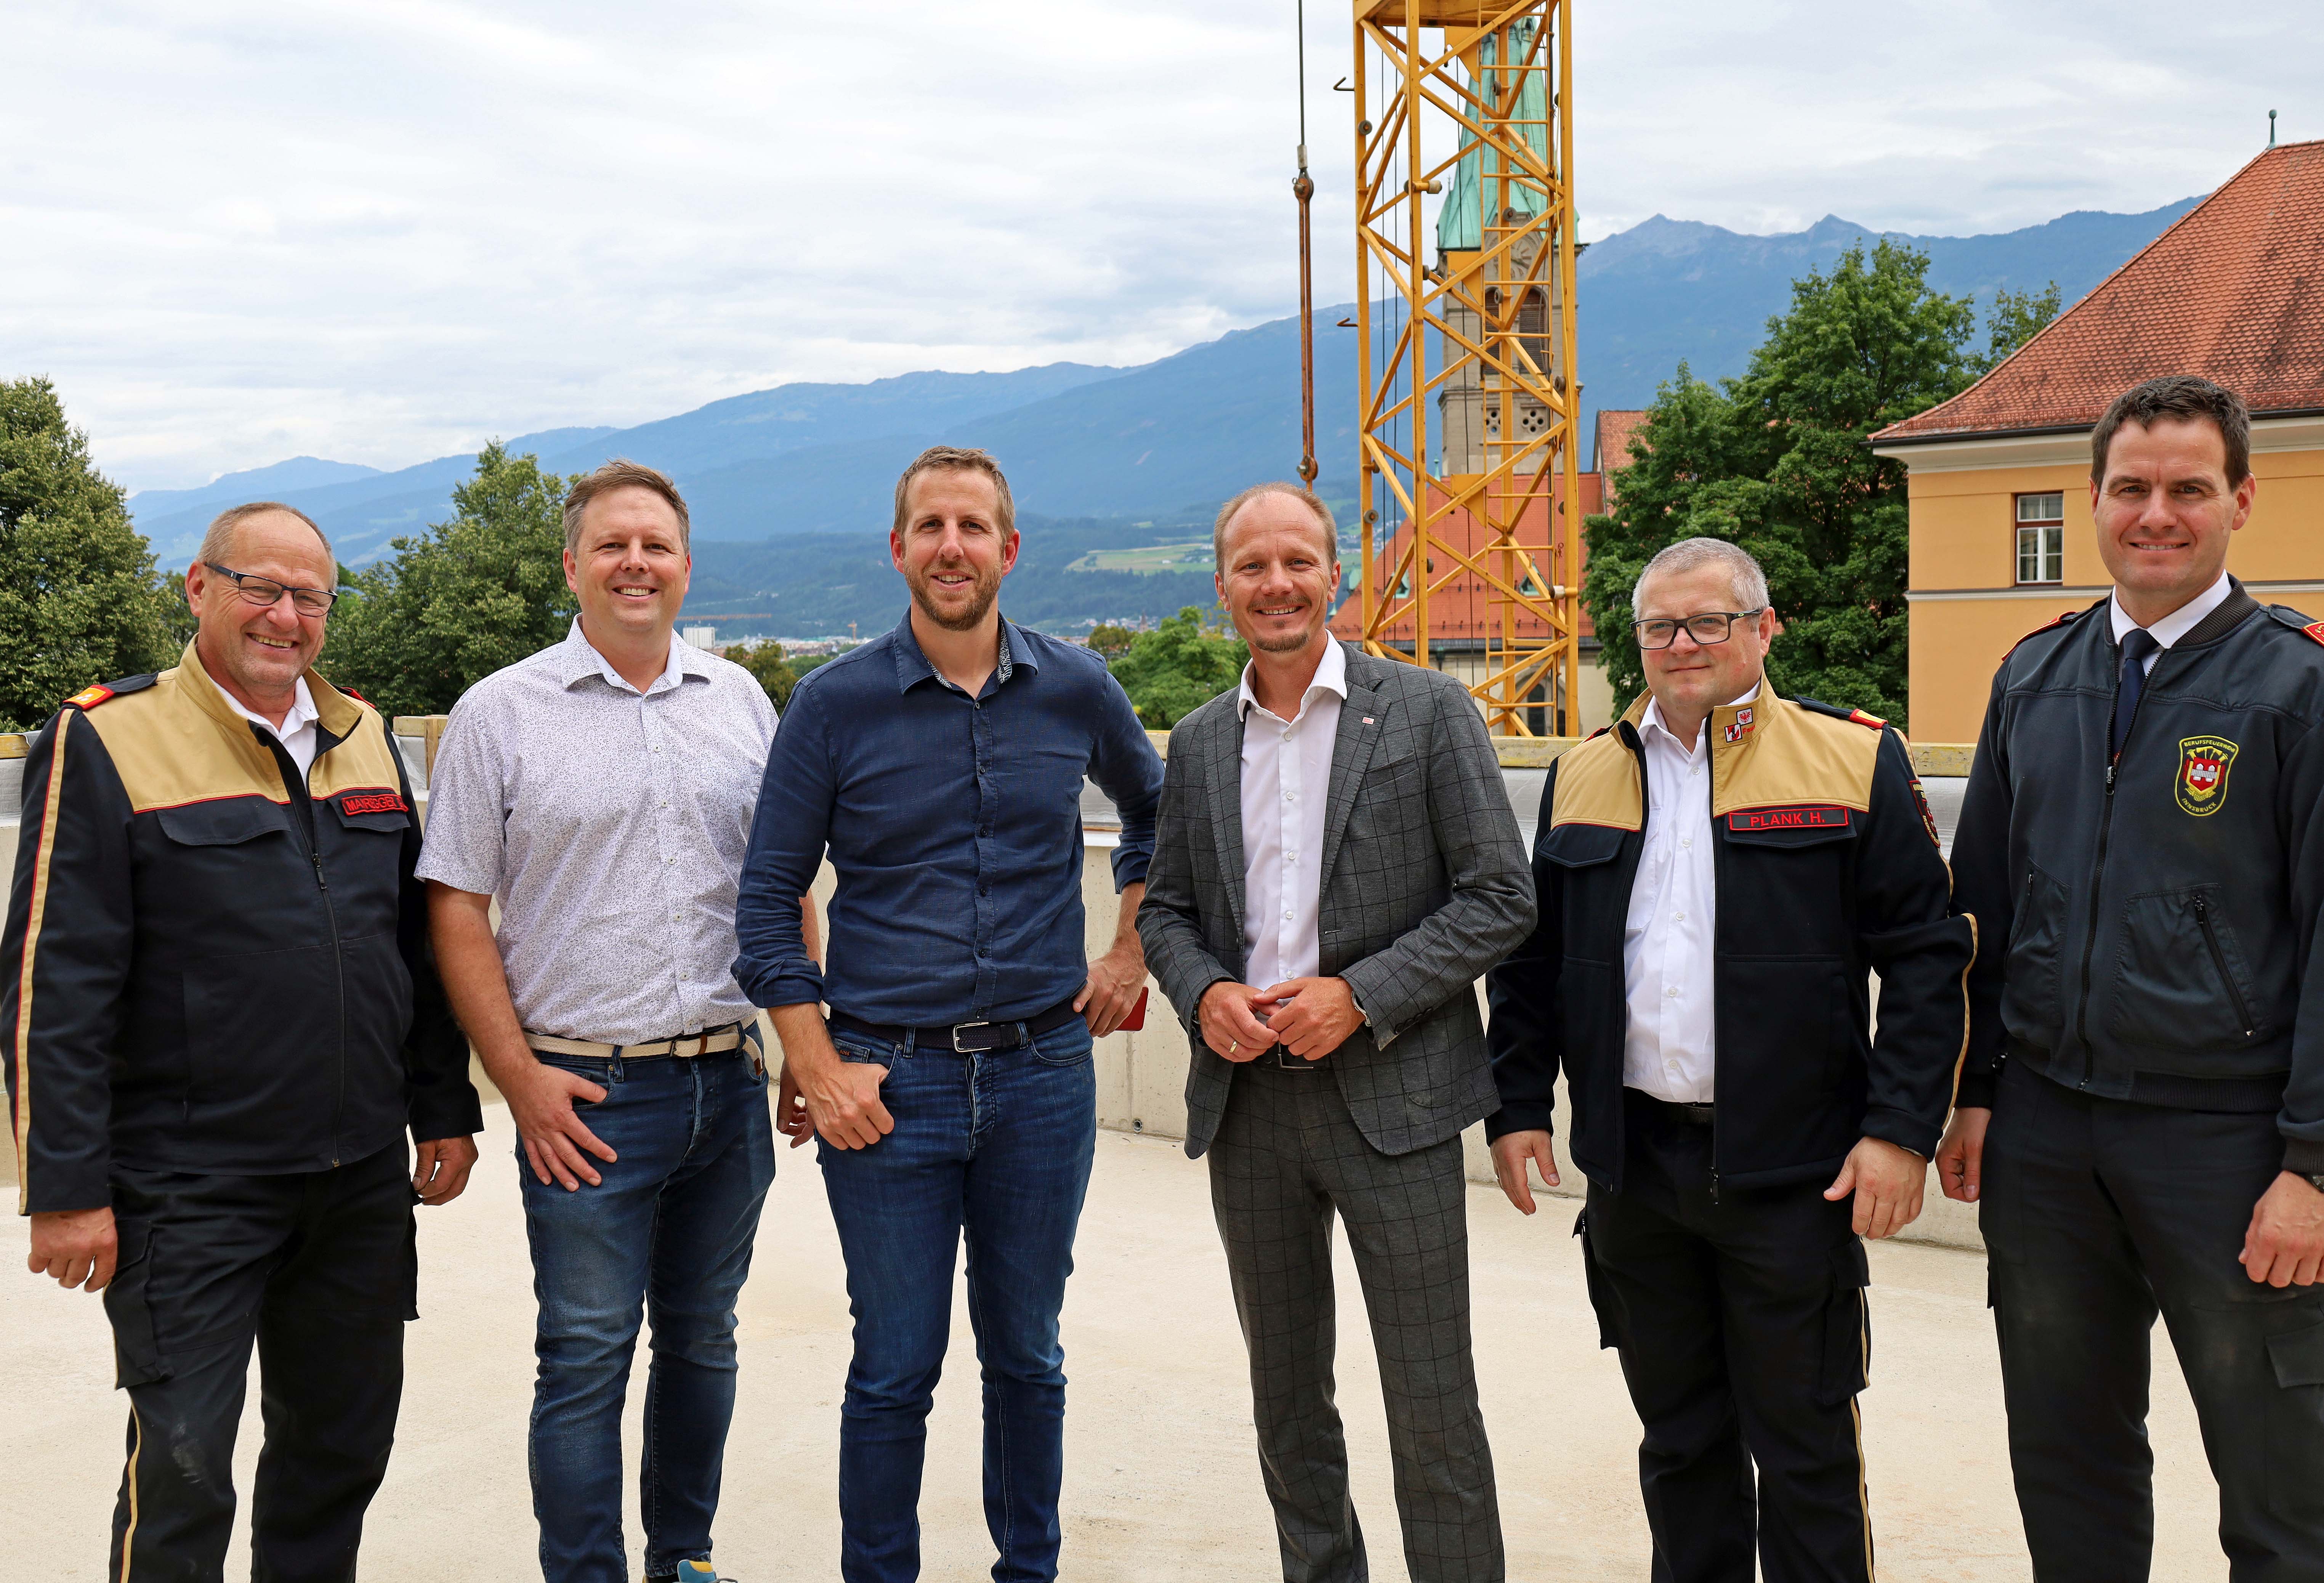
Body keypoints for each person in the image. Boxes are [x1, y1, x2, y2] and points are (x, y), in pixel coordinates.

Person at [3, 500, 481, 1583]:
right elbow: (52, 981)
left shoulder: (366, 735)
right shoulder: (105, 738)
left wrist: (442, 1106)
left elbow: (408, 947)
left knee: (336, 1456)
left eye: (310, 596)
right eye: (260, 588)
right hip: (190, 1186)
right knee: (184, 1474)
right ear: (198, 588)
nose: (285, 616)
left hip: (358, 1180)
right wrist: (64, 1188)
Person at [1486, 537, 1974, 1583]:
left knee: (1803, 1451)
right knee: (1680, 1444)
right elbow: (1532, 963)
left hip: (1794, 1174)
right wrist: (1517, 1103)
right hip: (1636, 1172)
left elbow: (1927, 960)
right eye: (1659, 627)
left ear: (1763, 629)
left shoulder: (1850, 759)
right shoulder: (1583, 771)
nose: (1683, 644)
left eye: (1708, 621)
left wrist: (1899, 1132)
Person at [732, 444, 1162, 1583]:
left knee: (1028, 1359)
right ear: (898, 549)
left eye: (973, 527)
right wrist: (815, 1062)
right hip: (888, 1085)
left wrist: (1129, 948)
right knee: (893, 1368)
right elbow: (768, 897)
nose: (952, 546)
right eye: (930, 526)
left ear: (1009, 549)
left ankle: (1029, 1571)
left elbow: (1160, 815)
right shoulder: (833, 704)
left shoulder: (1078, 686)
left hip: (1042, 1074)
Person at [1938, 375, 2324, 1581]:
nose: (2156, 514)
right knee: (2067, 1463)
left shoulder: (2298, 687)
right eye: (2130, 488)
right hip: (2047, 1132)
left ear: (2240, 501)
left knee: (2283, 1483)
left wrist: (2313, 1165)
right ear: (2094, 500)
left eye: (2187, 489)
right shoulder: (2032, 675)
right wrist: (1974, 1089)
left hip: (2229, 1138)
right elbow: (1980, 908)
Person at [1138, 482, 1534, 1583]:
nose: (1277, 584)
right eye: (1253, 566)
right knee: (1286, 1401)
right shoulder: (1201, 741)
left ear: (1335, 576)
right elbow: (1165, 910)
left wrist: (1359, 995)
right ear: (1223, 587)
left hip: (1396, 1102)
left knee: (1431, 1400)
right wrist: (1204, 993)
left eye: (1297, 562)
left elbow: (1501, 897)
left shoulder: (1425, 711)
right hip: (1250, 1109)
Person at [418, 459, 805, 1583]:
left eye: (656, 545)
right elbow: (456, 908)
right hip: (584, 1094)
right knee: (585, 1356)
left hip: (728, 1079)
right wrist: (518, 1081)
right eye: (612, 545)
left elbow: (781, 884)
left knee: (703, 1340)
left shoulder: (740, 701)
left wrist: (804, 1042)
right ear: (572, 567)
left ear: (685, 566)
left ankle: (682, 1561)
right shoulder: (501, 712)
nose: (636, 563)